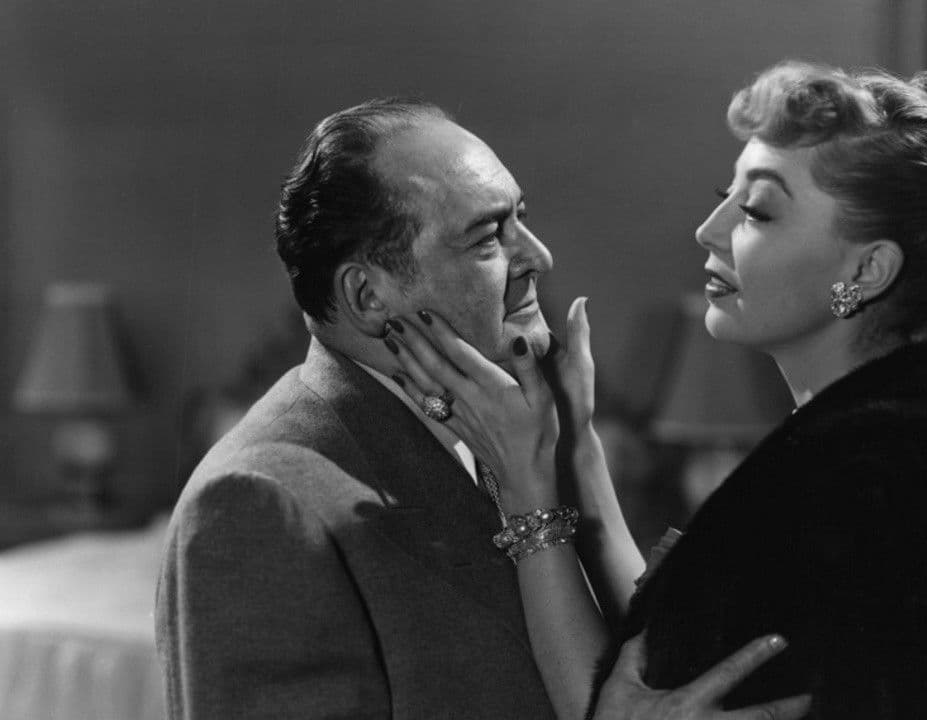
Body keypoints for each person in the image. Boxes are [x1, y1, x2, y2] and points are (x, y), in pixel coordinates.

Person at [384, 61, 927, 719]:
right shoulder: (881, 441)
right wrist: (575, 442)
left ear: (867, 270)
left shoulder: (866, 477)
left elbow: (610, 710)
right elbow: (662, 654)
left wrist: (527, 487)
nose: (710, 229)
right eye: (728, 195)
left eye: (755, 210)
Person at [155, 98, 810, 720]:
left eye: (520, 218)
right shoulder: (260, 501)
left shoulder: (511, 436)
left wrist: (574, 451)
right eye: (488, 238)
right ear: (369, 296)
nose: (539, 257)